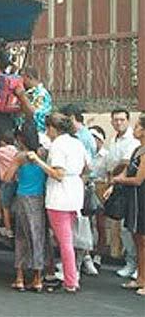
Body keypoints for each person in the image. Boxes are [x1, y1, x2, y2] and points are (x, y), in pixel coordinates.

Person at [27, 113, 90, 293]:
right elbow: (87, 167)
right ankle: (70, 276)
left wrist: (38, 160)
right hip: (75, 193)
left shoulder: (58, 145)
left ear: (53, 128)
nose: (48, 132)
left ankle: (70, 280)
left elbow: (58, 174)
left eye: (48, 128)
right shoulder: (77, 142)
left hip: (59, 197)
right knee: (67, 238)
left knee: (64, 241)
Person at [4, 120, 46, 292]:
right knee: (38, 237)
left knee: (21, 237)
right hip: (39, 198)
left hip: (23, 198)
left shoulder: (20, 157)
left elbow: (7, 178)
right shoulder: (43, 153)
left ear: (21, 138)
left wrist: (17, 177)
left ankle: (20, 278)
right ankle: (37, 279)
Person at [61, 104, 99, 276]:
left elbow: (87, 166)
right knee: (82, 225)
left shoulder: (80, 138)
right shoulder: (86, 136)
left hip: (80, 185)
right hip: (83, 184)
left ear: (71, 118)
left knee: (78, 226)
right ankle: (84, 260)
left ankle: (76, 264)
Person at [110, 113, 145, 296]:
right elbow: (127, 171)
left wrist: (120, 180)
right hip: (134, 199)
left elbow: (138, 179)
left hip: (142, 198)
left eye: (139, 126)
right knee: (137, 238)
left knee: (143, 239)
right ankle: (140, 278)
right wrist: (116, 180)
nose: (136, 129)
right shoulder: (137, 150)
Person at [105, 108, 140, 279]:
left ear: (128, 121)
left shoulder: (133, 141)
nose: (118, 123)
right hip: (117, 186)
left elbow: (125, 164)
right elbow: (111, 164)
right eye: (116, 120)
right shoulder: (113, 140)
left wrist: (115, 180)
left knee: (131, 228)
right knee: (122, 227)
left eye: (122, 120)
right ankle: (131, 262)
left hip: (129, 187)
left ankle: (136, 265)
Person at [89, 125, 110, 270]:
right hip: (88, 188)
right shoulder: (87, 153)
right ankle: (87, 253)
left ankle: (99, 254)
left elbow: (109, 175)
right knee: (87, 223)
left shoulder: (106, 155)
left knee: (100, 224)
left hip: (101, 187)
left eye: (95, 138)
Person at [15, 66, 52, 134]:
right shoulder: (28, 92)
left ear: (29, 77)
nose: (19, 82)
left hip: (37, 133)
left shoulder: (41, 94)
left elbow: (34, 114)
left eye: (22, 78)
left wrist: (22, 96)